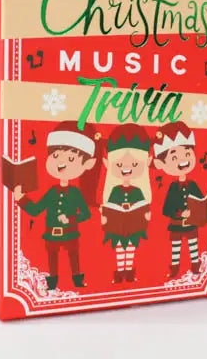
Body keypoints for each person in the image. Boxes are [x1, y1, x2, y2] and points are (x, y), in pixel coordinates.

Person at [13, 121, 102, 290]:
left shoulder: (75, 193)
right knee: (52, 259)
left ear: (88, 164)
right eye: (55, 156)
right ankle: (52, 284)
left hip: (71, 234)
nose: (61, 163)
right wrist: (21, 199)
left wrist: (70, 219)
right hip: (51, 235)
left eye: (71, 159)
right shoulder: (52, 192)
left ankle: (77, 281)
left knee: (73, 257)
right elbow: (36, 210)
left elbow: (86, 214)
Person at [153, 121, 207, 277]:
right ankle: (174, 269)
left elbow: (201, 200)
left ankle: (195, 266)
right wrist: (180, 213)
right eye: (174, 157)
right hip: (176, 225)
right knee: (176, 247)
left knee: (193, 246)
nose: (183, 159)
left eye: (187, 154)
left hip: (191, 224)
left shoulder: (192, 184)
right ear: (162, 163)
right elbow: (166, 209)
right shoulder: (173, 187)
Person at [101, 124, 152, 283]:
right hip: (117, 227)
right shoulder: (114, 190)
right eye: (119, 164)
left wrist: (146, 215)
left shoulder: (138, 190)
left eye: (135, 164)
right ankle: (120, 272)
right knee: (119, 250)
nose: (126, 168)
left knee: (130, 249)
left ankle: (128, 272)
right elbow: (109, 207)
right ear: (107, 164)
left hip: (133, 227)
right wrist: (105, 216)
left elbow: (143, 206)